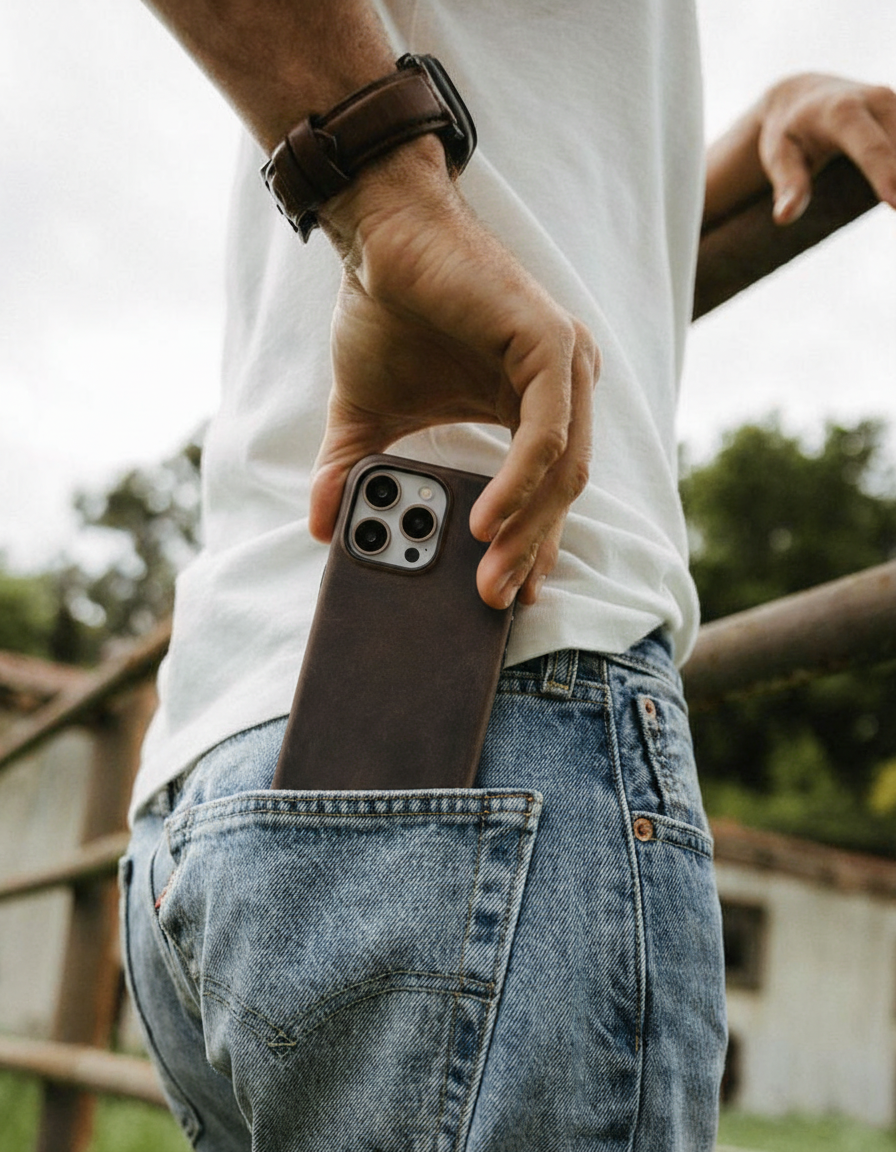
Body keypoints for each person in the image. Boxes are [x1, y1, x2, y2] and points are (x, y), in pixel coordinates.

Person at [119, 2, 896, 1148]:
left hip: (215, 772)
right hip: (502, 717)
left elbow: (563, 212)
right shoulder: (364, 140)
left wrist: (745, 139)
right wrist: (390, 197)